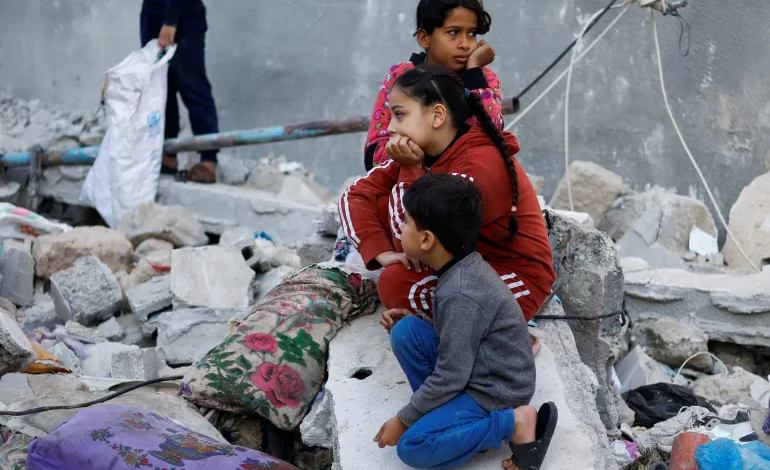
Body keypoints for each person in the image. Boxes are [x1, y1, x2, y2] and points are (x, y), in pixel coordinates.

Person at [339, 65, 555, 353]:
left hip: (513, 277)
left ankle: (502, 338)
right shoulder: (425, 151)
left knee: (398, 284)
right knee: (380, 211)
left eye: (400, 115)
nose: (390, 128)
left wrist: (410, 169)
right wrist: (382, 253)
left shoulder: (477, 165)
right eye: (390, 116)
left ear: (437, 115)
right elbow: (354, 195)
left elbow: (417, 241)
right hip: (459, 262)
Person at [372, 173, 557, 469]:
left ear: (426, 239)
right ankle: (445, 414)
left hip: (494, 391)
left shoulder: (461, 292)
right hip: (476, 369)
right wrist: (420, 320)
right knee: (406, 331)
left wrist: (404, 419)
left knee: (413, 447)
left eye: (405, 221)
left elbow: (452, 375)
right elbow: (461, 334)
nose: (400, 226)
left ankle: (513, 423)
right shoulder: (460, 269)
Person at [364, 0, 503, 171]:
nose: (465, 44)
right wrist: (406, 155)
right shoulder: (401, 75)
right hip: (406, 180)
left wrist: (473, 71)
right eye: (453, 32)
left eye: (471, 33)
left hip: (464, 179)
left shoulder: (482, 78)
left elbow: (493, 133)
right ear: (424, 38)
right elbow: (373, 155)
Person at [140, 0, 219, 183]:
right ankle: (167, 156)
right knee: (161, 89)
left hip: (182, 19)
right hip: (153, 15)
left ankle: (208, 161)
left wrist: (171, 20)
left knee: (193, 87)